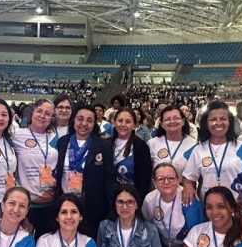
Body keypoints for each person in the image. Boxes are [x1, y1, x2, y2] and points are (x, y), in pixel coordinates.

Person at [182, 100, 242, 240]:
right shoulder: (199, 150)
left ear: (230, 122)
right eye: (213, 119)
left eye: (223, 119)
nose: (218, 123)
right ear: (206, 123)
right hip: (210, 212)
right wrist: (188, 187)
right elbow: (189, 179)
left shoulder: (241, 148)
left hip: (237, 212)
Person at [52, 103, 117, 238]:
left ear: (95, 123)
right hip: (65, 204)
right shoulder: (63, 142)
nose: (84, 123)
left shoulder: (104, 145)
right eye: (80, 119)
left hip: (92, 207)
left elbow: (109, 178)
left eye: (89, 120)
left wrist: (112, 208)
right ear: (73, 120)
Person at [142, 162, 205, 247]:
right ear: (154, 182)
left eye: (171, 178)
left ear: (178, 180)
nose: (166, 182)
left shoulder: (188, 198)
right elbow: (148, 226)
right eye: (161, 179)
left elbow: (198, 234)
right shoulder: (149, 199)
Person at [12, 98, 59, 236]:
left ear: (51, 118)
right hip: (24, 203)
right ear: (32, 112)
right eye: (39, 111)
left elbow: (60, 167)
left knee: (43, 246)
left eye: (47, 113)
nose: (42, 116)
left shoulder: (55, 138)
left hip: (48, 203)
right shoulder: (17, 135)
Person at [110, 107, 153, 198]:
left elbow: (144, 179)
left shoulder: (141, 146)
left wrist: (138, 200)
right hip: (109, 197)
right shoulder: (106, 144)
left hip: (132, 198)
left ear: (134, 124)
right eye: (120, 120)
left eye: (128, 121)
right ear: (114, 122)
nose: (123, 124)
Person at [148, 105, 197, 176]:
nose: (172, 121)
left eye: (176, 118)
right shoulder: (152, 144)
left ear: (183, 121)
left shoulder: (193, 144)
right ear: (162, 124)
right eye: (167, 119)